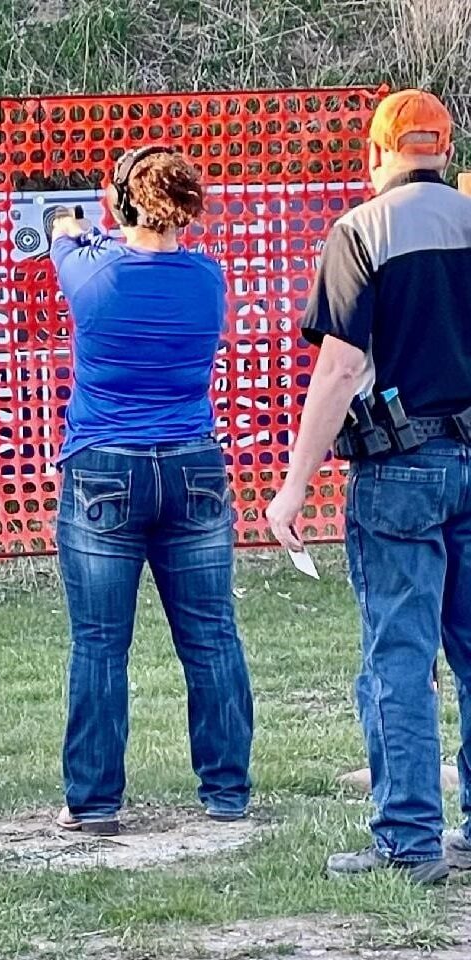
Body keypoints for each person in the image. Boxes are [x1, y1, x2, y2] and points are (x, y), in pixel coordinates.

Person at [266, 89, 471, 884]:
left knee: (398, 657)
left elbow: (343, 366)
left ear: (377, 153)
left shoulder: (359, 232)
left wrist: (293, 486)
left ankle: (409, 841)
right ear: (443, 150)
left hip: (399, 469)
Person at [49, 146, 253, 835]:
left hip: (104, 465)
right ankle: (226, 791)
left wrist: (83, 227)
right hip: (194, 463)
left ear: (121, 202)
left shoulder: (92, 271)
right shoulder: (207, 279)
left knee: (101, 642)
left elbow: (64, 239)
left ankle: (96, 802)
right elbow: (151, 254)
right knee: (211, 636)